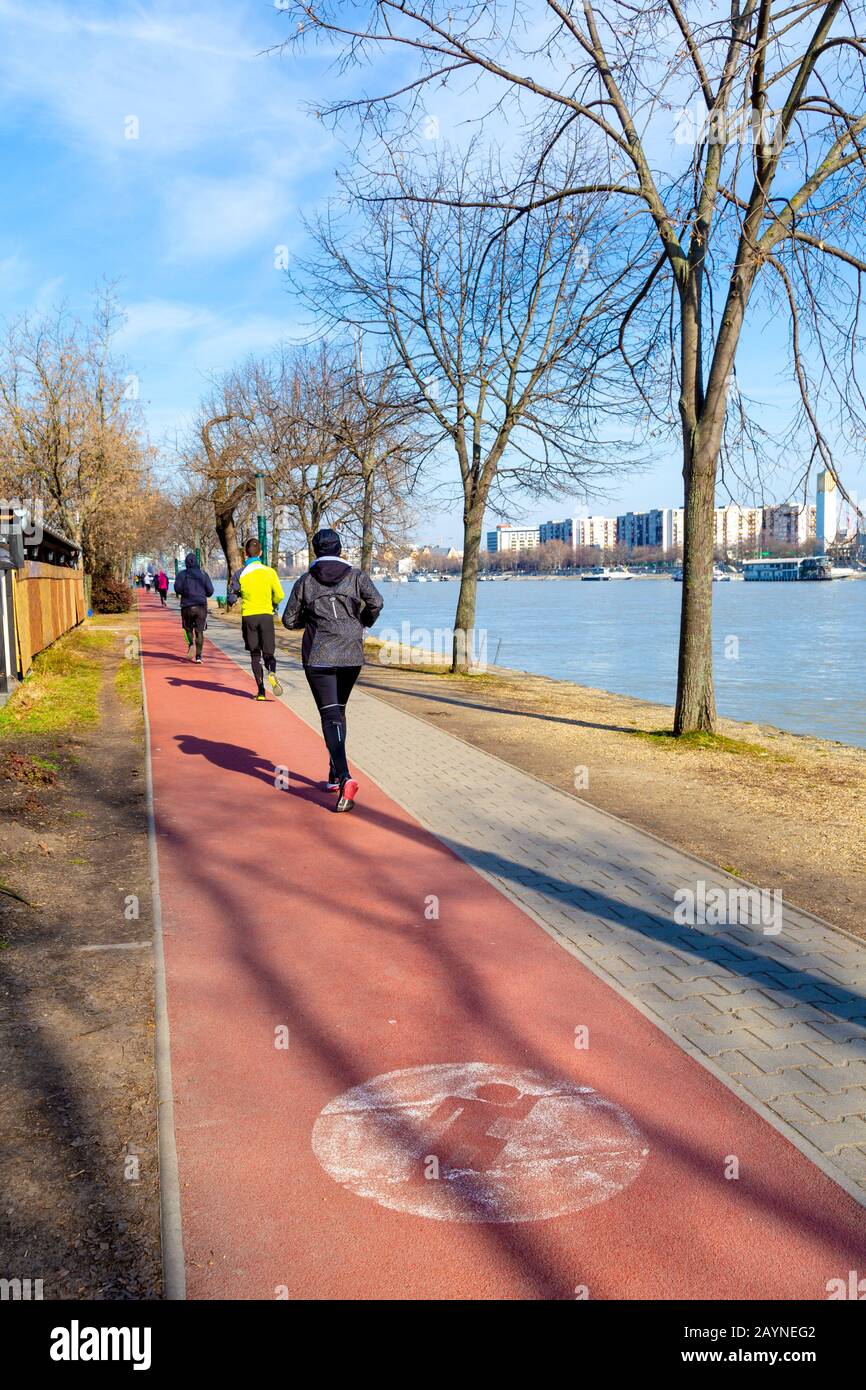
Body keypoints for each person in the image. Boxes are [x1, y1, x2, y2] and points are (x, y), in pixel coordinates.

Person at [281, 527, 383, 812]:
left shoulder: (305, 582)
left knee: (330, 715)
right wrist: (361, 622)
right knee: (338, 711)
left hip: (319, 655)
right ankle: (332, 773)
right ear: (339, 549)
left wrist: (311, 620)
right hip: (351, 655)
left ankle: (344, 776)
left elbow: (289, 620)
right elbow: (377, 602)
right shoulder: (357, 577)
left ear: (316, 551)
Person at [226, 539, 285, 700]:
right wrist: (272, 604)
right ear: (261, 554)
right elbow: (280, 595)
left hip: (249, 617)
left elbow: (231, 597)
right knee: (268, 652)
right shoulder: (270, 572)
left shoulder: (240, 574)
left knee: (254, 654)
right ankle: (271, 671)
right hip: (266, 616)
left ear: (245, 554)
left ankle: (260, 691)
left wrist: (232, 598)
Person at [173, 552, 214, 662]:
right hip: (201, 606)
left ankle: (191, 644)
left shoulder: (182, 574)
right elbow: (210, 591)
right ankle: (199, 657)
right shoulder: (203, 574)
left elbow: (177, 589)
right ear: (197, 562)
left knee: (188, 628)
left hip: (187, 606)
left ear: (186, 563)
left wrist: (185, 592)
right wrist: (202, 592)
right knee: (199, 631)